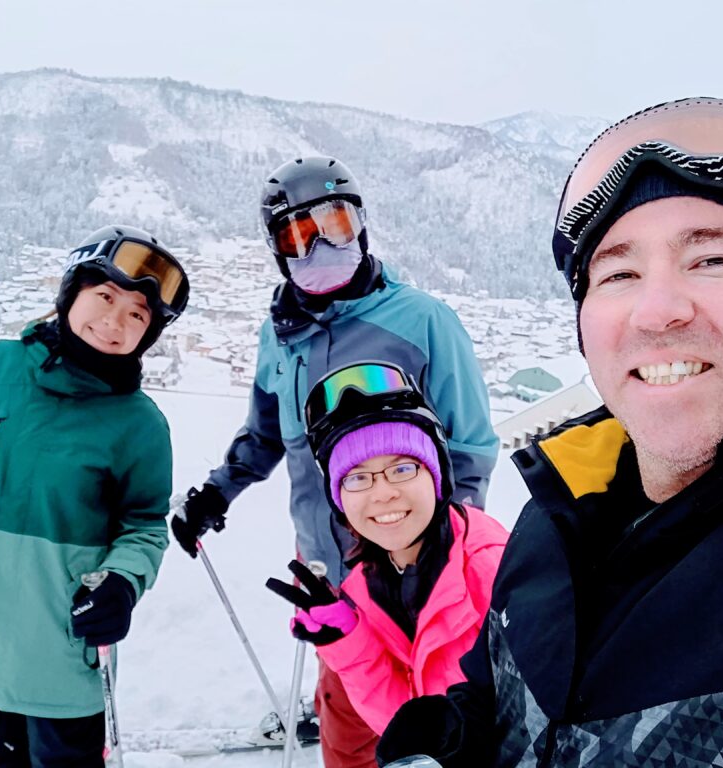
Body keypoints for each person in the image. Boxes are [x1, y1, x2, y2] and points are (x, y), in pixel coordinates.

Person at [376, 96, 723, 767]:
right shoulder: (556, 513)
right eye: (619, 273)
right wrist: (449, 742)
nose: (656, 312)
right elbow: (499, 702)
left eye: (712, 258)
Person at [170, 156, 499, 767]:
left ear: (363, 227)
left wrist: (438, 563)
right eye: (298, 234)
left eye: (335, 223)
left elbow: (471, 451)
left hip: (423, 584)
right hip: (331, 579)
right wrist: (218, 494)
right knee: (351, 728)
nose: (320, 243)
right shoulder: (282, 335)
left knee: (443, 730)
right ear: (276, 250)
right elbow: (267, 435)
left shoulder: (422, 321)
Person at [0, 224, 189, 767]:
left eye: (138, 315)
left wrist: (121, 582)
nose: (115, 321)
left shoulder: (139, 426)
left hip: (65, 654)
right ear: (72, 293)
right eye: (106, 297)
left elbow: (142, 525)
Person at [266, 361, 508, 742]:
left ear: (437, 475)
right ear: (339, 498)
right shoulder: (366, 589)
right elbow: (408, 728)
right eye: (358, 477)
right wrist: (349, 645)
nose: (383, 493)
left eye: (402, 469)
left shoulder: (493, 573)